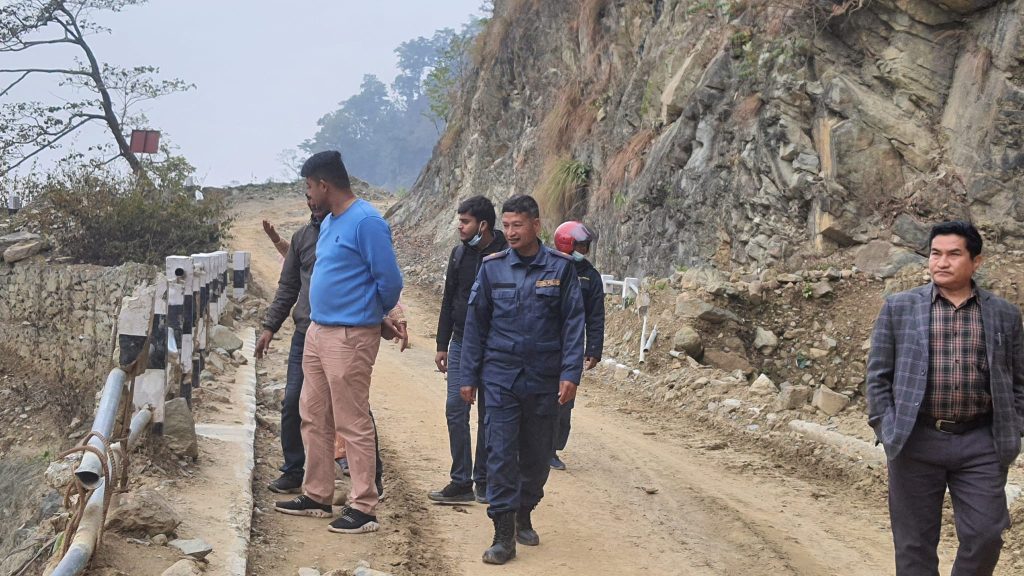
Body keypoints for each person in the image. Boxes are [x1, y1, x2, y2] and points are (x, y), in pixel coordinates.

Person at [867, 220, 1024, 575]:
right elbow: (878, 376)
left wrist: (1014, 426)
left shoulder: (1004, 314)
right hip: (915, 439)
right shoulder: (899, 308)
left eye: (954, 254)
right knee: (914, 544)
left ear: (976, 261)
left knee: (986, 535)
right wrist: (887, 427)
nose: (941, 262)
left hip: (981, 442)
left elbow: (1018, 379)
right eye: (935, 253)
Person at [273, 151, 403, 535]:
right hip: (317, 330)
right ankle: (317, 494)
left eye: (309, 187)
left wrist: (372, 315)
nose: (308, 195)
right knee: (313, 414)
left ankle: (364, 506)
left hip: (350, 335)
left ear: (324, 185)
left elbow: (390, 282)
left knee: (352, 421)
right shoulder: (329, 221)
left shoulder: (367, 222)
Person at [460, 194, 585, 564]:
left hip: (544, 377)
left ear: (536, 225)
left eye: (518, 225)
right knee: (499, 453)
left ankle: (524, 512)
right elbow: (475, 326)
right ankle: (503, 535)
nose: (511, 232)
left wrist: (570, 372)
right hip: (500, 376)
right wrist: (468, 375)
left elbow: (573, 324)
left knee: (536, 456)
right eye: (507, 225)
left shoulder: (561, 268)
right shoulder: (492, 268)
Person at [255, 198, 395, 498]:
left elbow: (382, 279)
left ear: (326, 190)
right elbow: (288, 286)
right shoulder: (303, 238)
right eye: (306, 196)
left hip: (344, 333)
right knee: (297, 404)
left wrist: (382, 314)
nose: (311, 201)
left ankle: (370, 482)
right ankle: (298, 474)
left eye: (313, 192)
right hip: (307, 333)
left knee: (352, 410)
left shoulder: (355, 228)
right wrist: (269, 327)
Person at [430, 195, 508, 504]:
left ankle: (484, 480)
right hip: (461, 342)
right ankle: (460, 481)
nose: (459, 227)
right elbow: (449, 299)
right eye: (459, 221)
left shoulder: (507, 255)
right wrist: (442, 344)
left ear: (483, 224)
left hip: (494, 346)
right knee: (455, 408)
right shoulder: (458, 254)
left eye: (465, 222)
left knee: (489, 415)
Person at [550, 221, 605, 471]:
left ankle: (552, 449)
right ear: (567, 244)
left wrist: (593, 349)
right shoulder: (548, 267)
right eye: (581, 246)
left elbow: (596, 316)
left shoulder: (590, 276)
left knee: (564, 399)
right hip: (544, 342)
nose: (585, 251)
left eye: (586, 246)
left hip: (571, 346)